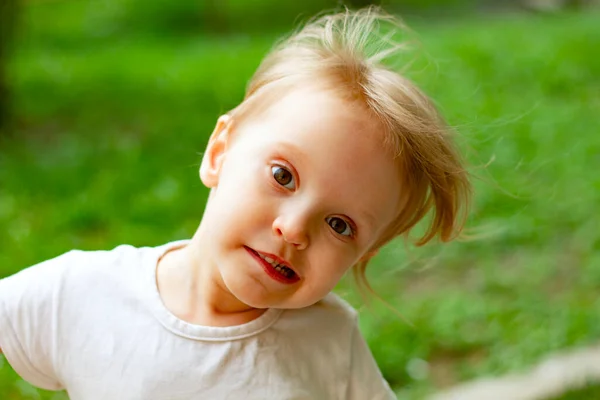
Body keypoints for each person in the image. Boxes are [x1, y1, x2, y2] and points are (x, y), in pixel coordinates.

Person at [0, 6, 470, 400]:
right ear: (219, 152)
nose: (294, 229)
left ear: (362, 255)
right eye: (283, 176)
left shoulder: (329, 344)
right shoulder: (86, 294)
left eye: (340, 225)